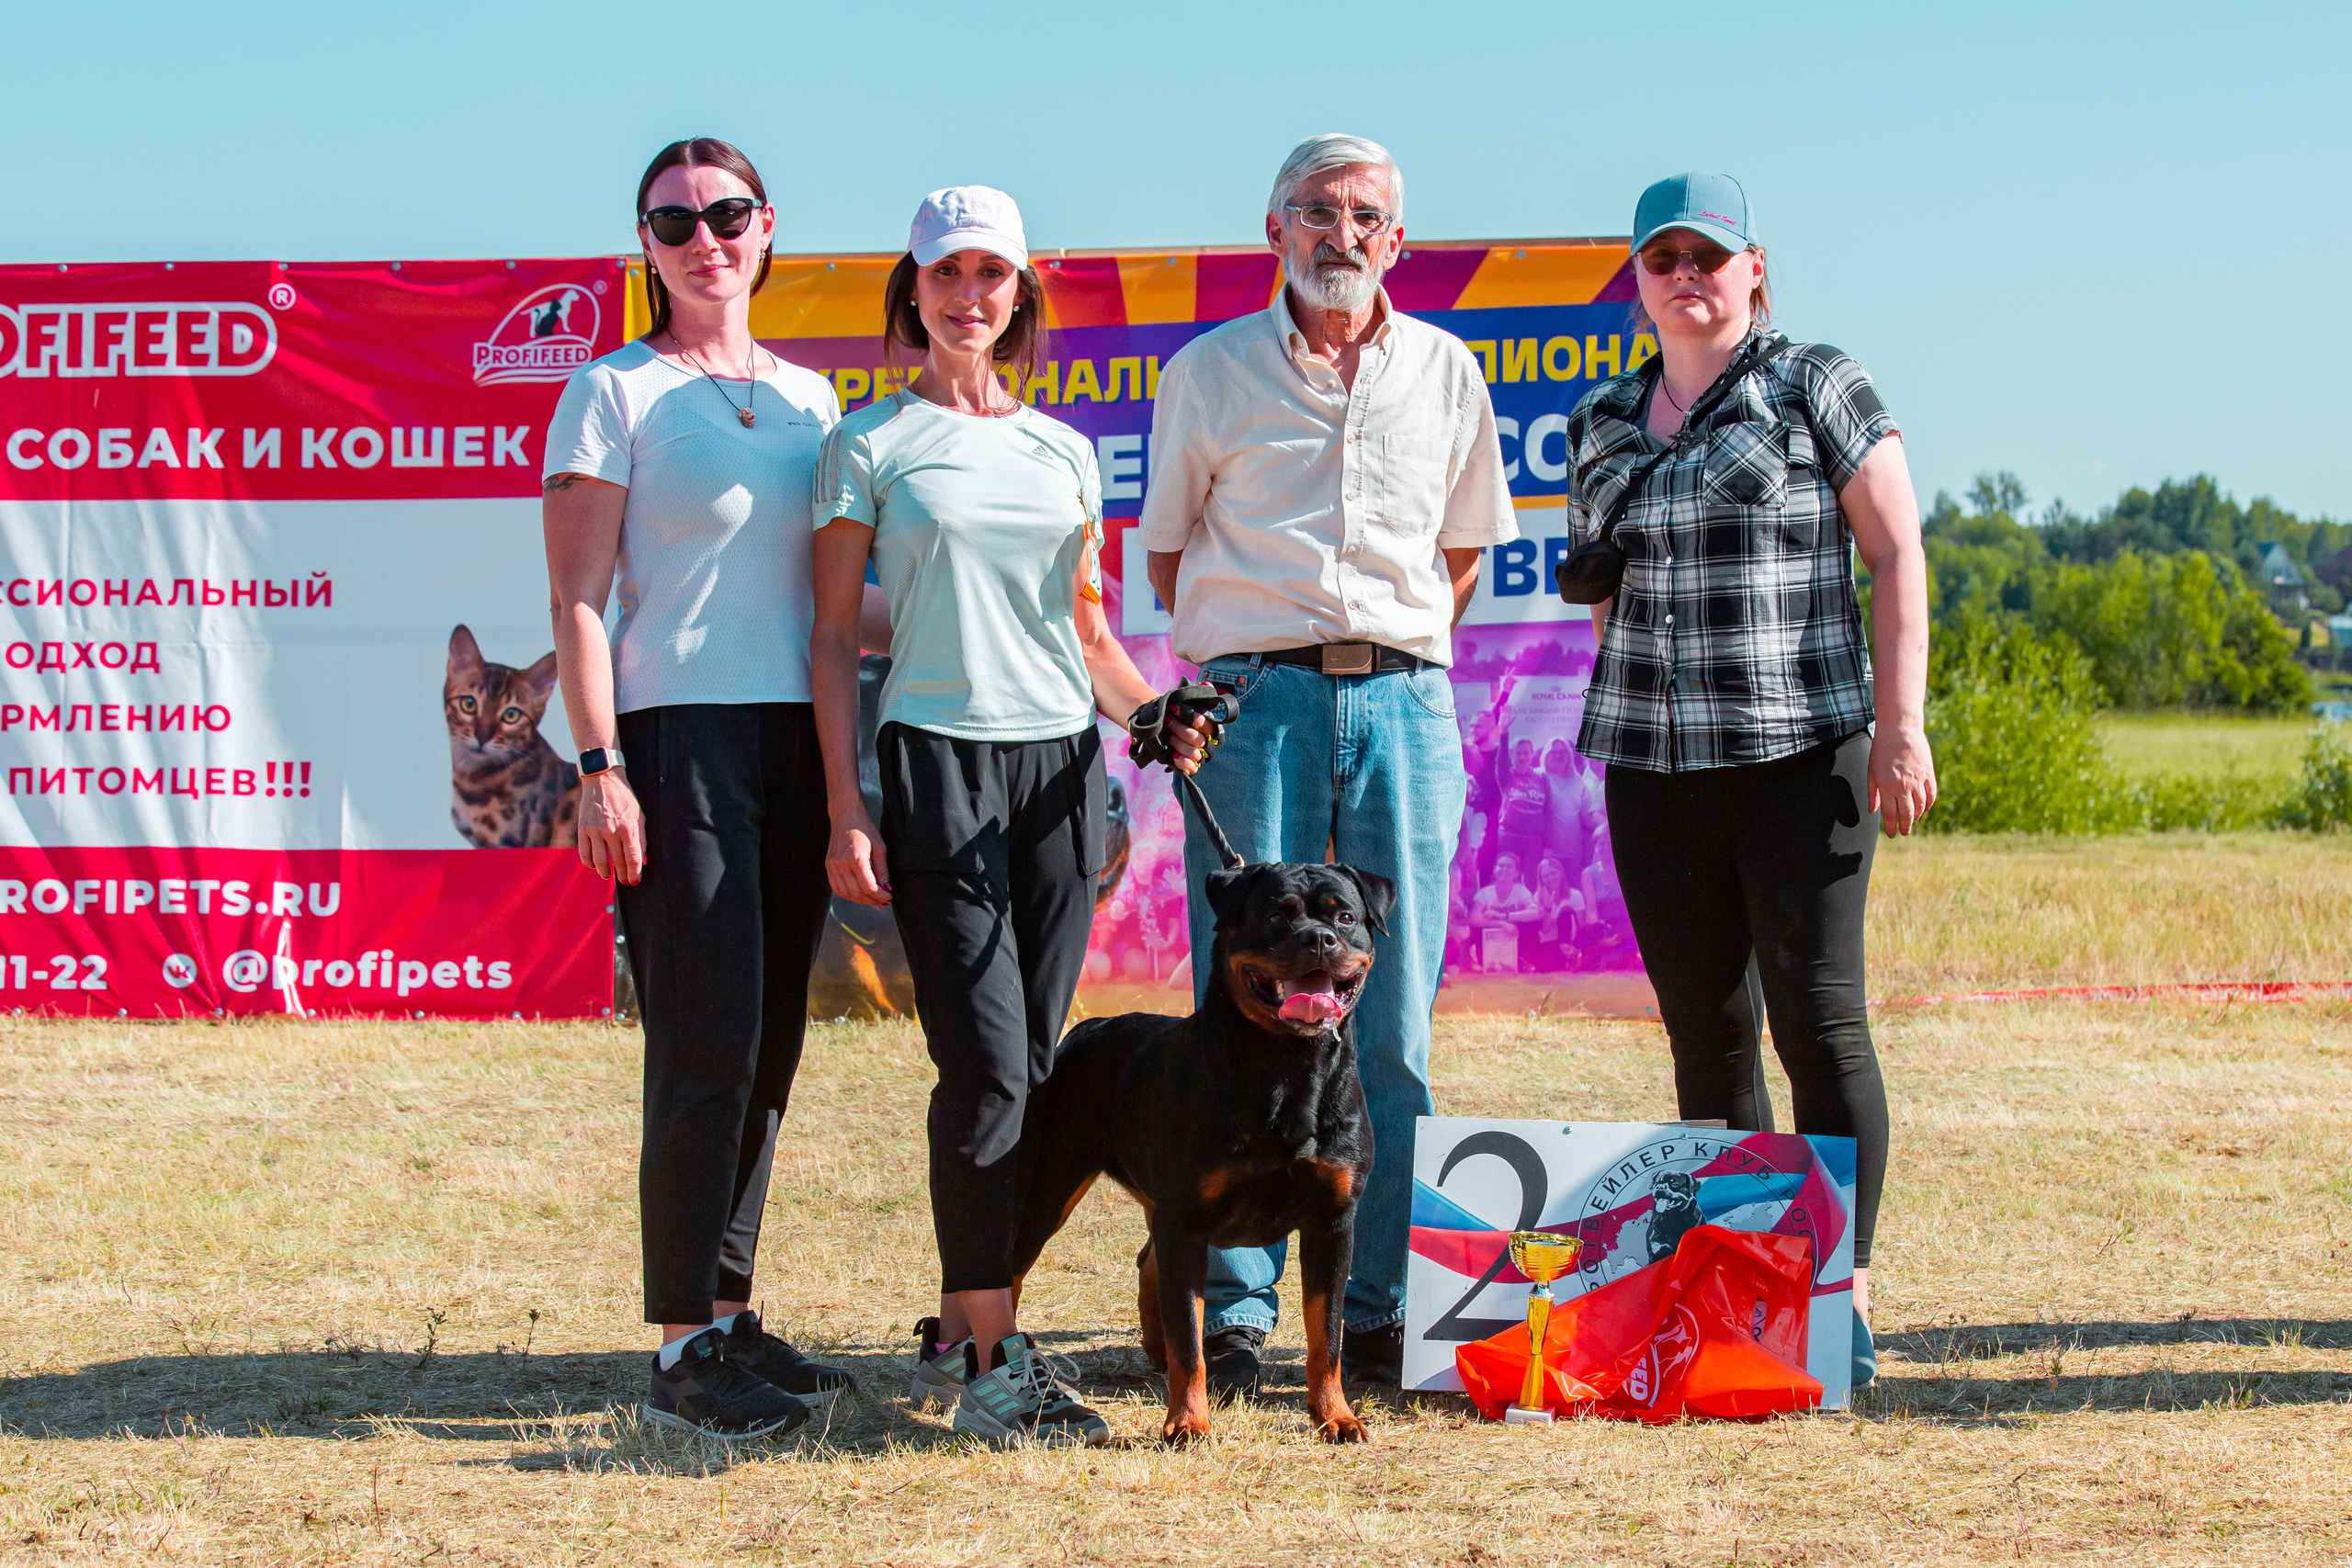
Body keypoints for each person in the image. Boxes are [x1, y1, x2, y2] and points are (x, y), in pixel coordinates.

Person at [808, 186, 1213, 1448]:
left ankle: (960, 1322)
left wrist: (1155, 715)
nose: (969, 296)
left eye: (992, 276)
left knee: (1032, 1070)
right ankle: (994, 1362)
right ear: (912, 294)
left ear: (1020, 296)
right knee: (984, 1068)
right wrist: (844, 806)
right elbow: (828, 642)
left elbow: (1085, 630)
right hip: (933, 766)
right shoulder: (866, 448)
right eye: (946, 275)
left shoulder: (1066, 451)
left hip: (1057, 775)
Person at [1139, 133, 1516, 1392]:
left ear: (1395, 240)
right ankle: (1236, 1309)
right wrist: (1263, 659)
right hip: (1256, 706)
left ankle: (1376, 1302)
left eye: (1364, 215)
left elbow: (1462, 554)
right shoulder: (1210, 372)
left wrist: (1389, 651)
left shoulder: (1449, 372)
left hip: (1404, 701)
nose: (1338, 233)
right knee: (1240, 1004)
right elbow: (1167, 557)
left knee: (1391, 1016)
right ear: (1275, 230)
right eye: (1314, 211)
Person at [1566, 173, 1936, 1381]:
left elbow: (1895, 552)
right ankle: (1751, 1298)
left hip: (1804, 753)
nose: (1688, 276)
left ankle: (1844, 1303)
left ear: (1755, 267)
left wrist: (1900, 723)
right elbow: (1608, 589)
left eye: (1709, 256)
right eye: (1664, 257)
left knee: (1819, 1025)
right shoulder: (1603, 419)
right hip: (1655, 766)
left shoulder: (1815, 381)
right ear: (1637, 281)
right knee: (1707, 1039)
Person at [542, 138, 882, 1439]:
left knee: (774, 1041)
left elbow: (838, 594)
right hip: (673, 742)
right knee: (703, 1035)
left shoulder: (812, 398)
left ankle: (731, 1312)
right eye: (674, 220)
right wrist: (601, 764)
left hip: (798, 739)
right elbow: (576, 597)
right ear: (645, 243)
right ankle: (682, 1346)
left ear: (766, 225)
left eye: (726, 213)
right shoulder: (611, 392)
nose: (704, 238)